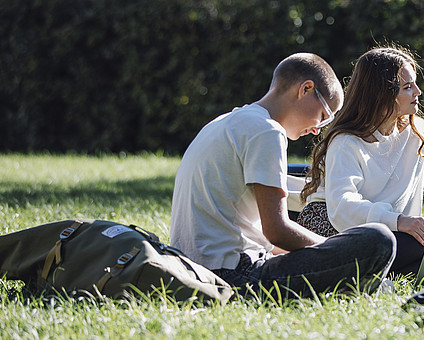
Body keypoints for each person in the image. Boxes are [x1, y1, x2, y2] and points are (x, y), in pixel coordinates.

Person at [169, 53, 396, 298]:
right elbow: (276, 230)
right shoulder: (267, 131)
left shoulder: (223, 122)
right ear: (306, 89)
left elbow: (257, 235)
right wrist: (334, 248)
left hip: (192, 269)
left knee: (360, 253)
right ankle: (364, 285)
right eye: (323, 116)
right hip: (235, 276)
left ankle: (361, 285)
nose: (316, 130)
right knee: (379, 238)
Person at [298, 47, 424, 277]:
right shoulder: (346, 142)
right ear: (382, 94)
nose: (417, 92)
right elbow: (343, 207)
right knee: (412, 248)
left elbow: (410, 201)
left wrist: (413, 228)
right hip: (333, 224)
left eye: (414, 84)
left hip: (383, 228)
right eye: (407, 87)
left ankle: (386, 272)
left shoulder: (416, 134)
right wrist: (398, 222)